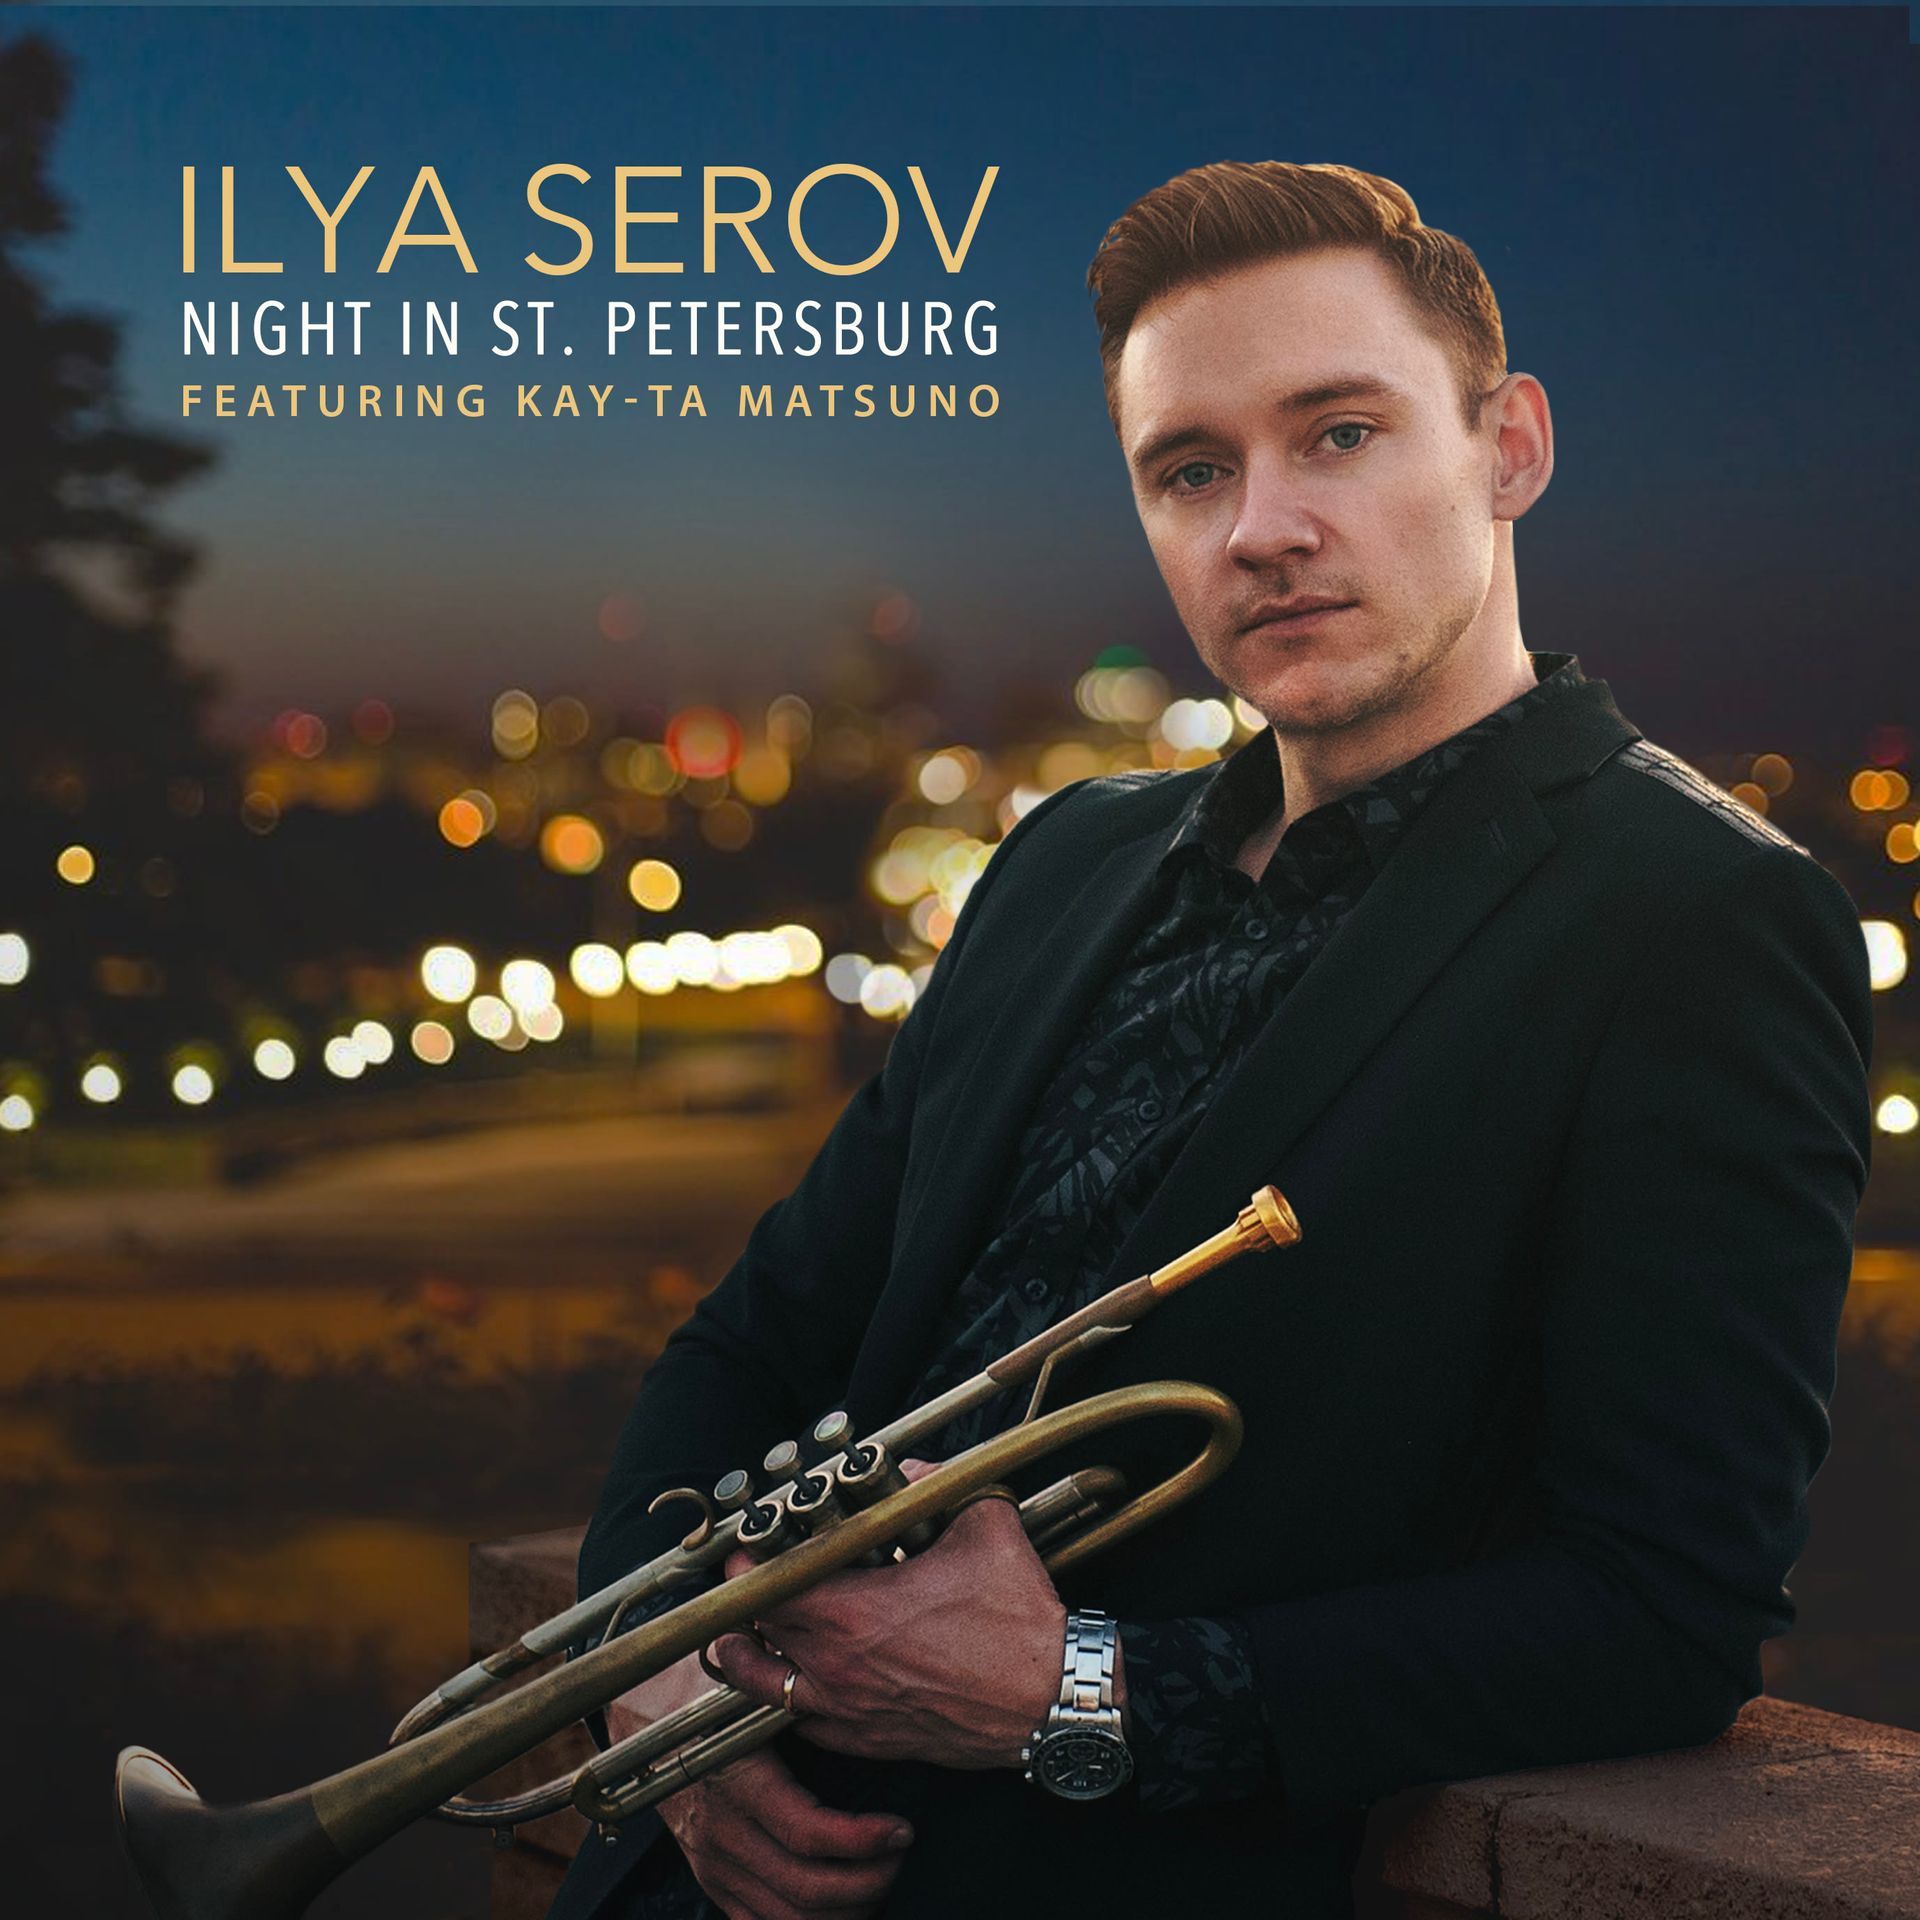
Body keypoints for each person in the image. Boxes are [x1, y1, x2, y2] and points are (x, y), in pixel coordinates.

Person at [547, 161, 1873, 1920]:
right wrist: (649, 1652)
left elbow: (1661, 1606)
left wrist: (1074, 1692)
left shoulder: (1698, 914)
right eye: (1192, 469)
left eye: (1339, 433)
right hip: (695, 1872)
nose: (1262, 526)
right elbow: (766, 1330)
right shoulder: (1067, 853)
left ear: (1511, 449)